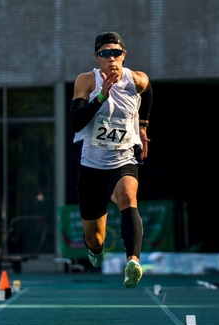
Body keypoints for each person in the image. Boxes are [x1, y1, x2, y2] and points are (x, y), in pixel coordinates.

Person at [69, 31, 152, 288]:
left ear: (124, 55)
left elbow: (148, 93)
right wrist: (102, 97)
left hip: (122, 160)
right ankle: (96, 249)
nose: (111, 58)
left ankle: (133, 262)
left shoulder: (136, 80)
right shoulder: (87, 81)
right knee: (94, 239)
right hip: (91, 167)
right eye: (105, 54)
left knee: (129, 196)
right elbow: (75, 122)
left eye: (116, 53)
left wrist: (143, 127)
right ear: (97, 57)